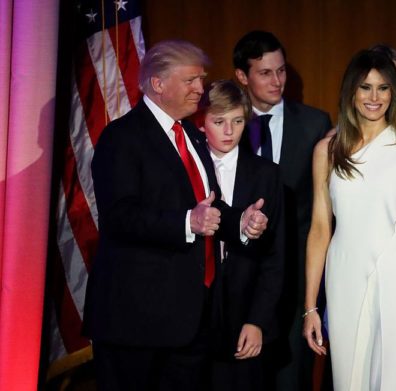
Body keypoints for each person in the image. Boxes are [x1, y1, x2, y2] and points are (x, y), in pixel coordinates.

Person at [82, 40, 268, 390]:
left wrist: (240, 223)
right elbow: (119, 217)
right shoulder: (122, 138)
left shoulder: (193, 138)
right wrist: (187, 223)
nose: (201, 89)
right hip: (136, 324)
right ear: (158, 84)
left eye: (201, 80)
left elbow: (207, 209)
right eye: (191, 81)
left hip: (191, 322)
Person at [303, 49, 396, 390]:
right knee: (350, 376)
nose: (374, 97)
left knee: (395, 376)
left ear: (394, 92)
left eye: (383, 88)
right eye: (365, 87)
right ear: (351, 91)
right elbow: (320, 229)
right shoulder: (328, 150)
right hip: (345, 271)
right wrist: (310, 306)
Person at [233, 30, 332, 391]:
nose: (277, 81)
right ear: (242, 76)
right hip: (239, 273)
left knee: (292, 376)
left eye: (282, 71)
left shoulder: (315, 124)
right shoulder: (222, 125)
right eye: (265, 73)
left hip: (297, 274)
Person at [195, 79, 285, 391]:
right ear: (202, 122)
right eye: (219, 122)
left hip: (245, 314)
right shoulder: (187, 168)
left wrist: (258, 320)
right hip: (193, 319)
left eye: (237, 121)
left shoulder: (266, 174)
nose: (229, 131)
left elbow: (276, 258)